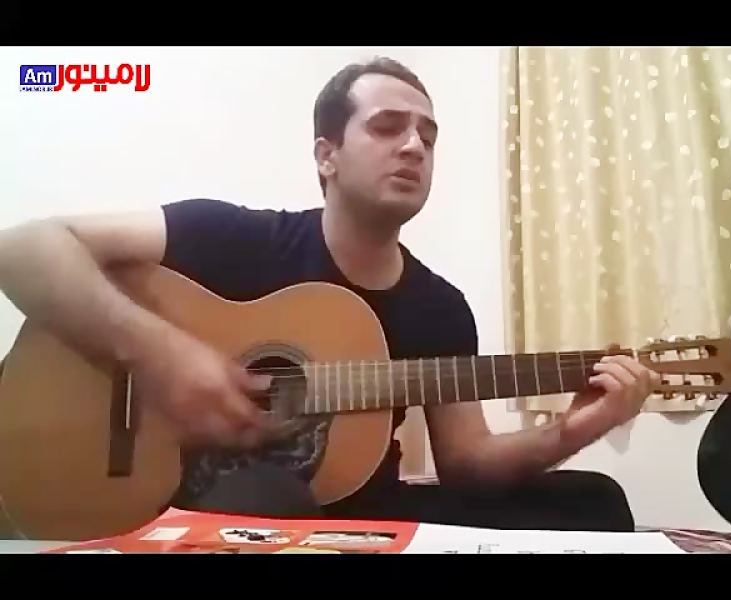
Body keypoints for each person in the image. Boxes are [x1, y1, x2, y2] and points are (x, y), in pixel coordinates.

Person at [0, 57, 659, 532]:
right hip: (218, 507)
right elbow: (22, 248)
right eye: (388, 126)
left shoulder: (439, 307)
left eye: (428, 136)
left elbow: (468, 465)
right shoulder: (234, 238)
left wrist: (570, 431)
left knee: (594, 503)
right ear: (327, 154)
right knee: (267, 501)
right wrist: (157, 355)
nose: (415, 146)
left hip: (361, 515)